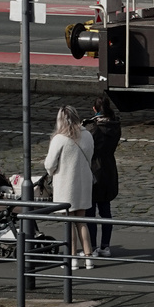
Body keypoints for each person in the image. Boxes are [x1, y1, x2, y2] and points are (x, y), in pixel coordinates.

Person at [44, 105, 95, 267]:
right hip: (84, 182)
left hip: (66, 183)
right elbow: (91, 156)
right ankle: (89, 257)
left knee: (69, 222)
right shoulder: (87, 135)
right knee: (82, 221)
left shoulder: (59, 139)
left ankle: (72, 258)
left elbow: (50, 164)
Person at [85, 93, 121, 258]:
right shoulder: (115, 125)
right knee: (106, 211)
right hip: (109, 169)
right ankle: (105, 246)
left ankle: (91, 246)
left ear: (94, 109)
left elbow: (87, 148)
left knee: (90, 212)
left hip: (93, 170)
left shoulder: (94, 128)